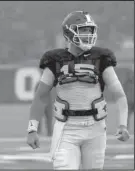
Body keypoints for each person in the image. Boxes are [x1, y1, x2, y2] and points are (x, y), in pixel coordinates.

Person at [26, 11, 130, 170]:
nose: (88, 35)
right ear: (69, 32)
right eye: (83, 30)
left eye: (90, 30)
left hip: (95, 128)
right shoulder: (55, 60)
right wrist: (32, 128)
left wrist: (123, 125)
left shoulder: (101, 58)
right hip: (66, 128)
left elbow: (120, 95)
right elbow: (40, 96)